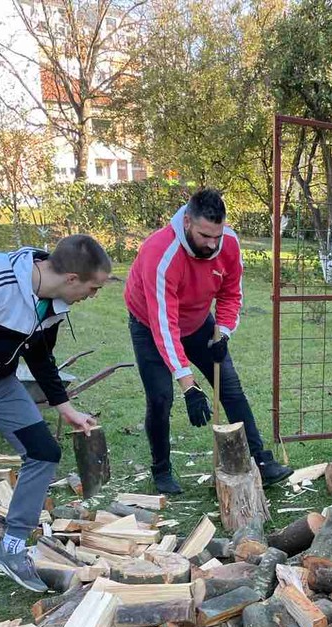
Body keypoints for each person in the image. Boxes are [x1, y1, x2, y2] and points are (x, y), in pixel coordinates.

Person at [0, 235, 111, 597]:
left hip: (0, 385)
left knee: (45, 451)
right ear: (72, 279)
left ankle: (11, 548)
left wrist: (65, 407)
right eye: (94, 288)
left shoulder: (53, 303)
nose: (94, 296)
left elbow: (40, 355)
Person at [124, 187, 291, 494]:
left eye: (217, 235)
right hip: (150, 326)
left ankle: (260, 460)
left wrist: (224, 332)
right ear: (187, 221)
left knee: (231, 388)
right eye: (205, 236)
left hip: (200, 322)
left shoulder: (228, 243)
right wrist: (189, 387)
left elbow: (230, 294)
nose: (212, 244)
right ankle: (161, 470)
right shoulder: (160, 252)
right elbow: (165, 324)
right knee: (161, 398)